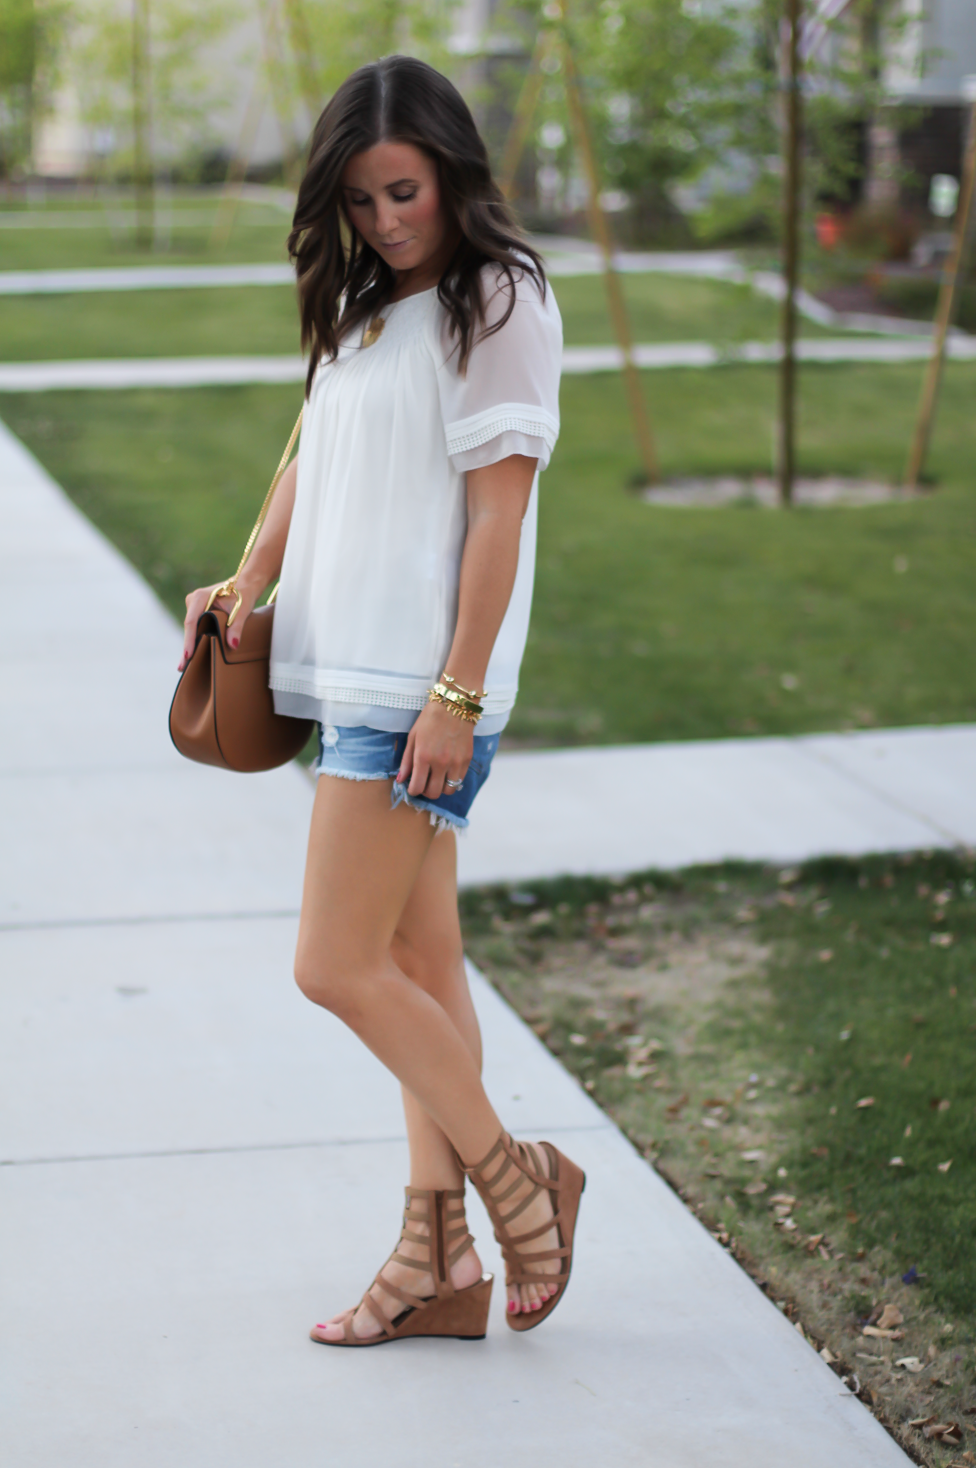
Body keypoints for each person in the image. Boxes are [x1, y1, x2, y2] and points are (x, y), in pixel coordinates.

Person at [178, 55, 584, 1347]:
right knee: (417, 960)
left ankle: (517, 1185)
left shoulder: (498, 298)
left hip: (415, 692)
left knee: (334, 965)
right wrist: (246, 585)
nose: (386, 219)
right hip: (343, 670)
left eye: (404, 190)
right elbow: (311, 459)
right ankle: (435, 1255)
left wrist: (456, 693)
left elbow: (500, 520)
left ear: (455, 172)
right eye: (360, 201)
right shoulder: (368, 311)